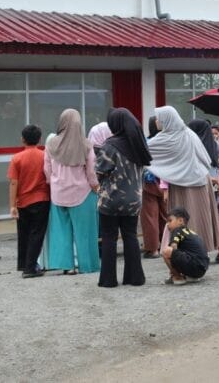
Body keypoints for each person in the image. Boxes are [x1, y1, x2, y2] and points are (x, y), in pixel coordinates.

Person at [148, 106, 219, 263]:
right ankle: (216, 249)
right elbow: (204, 158)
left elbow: (144, 151)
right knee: (205, 215)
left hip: (182, 185)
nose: (157, 121)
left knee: (184, 217)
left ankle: (188, 252)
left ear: (167, 120)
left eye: (159, 118)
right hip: (201, 181)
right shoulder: (189, 134)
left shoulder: (167, 138)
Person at [95, 108, 151, 288]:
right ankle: (135, 278)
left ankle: (108, 280)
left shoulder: (110, 146)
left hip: (111, 198)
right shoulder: (138, 143)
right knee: (131, 235)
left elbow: (101, 170)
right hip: (134, 199)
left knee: (109, 237)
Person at [43, 108, 100, 275]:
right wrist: (95, 186)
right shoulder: (86, 145)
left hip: (58, 193)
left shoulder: (51, 144)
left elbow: (46, 169)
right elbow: (91, 172)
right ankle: (88, 265)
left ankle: (66, 265)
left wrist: (53, 182)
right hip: (82, 193)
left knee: (61, 230)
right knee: (86, 232)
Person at [8, 125, 50, 278]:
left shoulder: (16, 158)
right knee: (36, 233)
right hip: (42, 199)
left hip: (22, 201)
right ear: (40, 139)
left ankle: (23, 264)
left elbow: (13, 182)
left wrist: (12, 205)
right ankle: (31, 267)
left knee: (23, 233)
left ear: (22, 139)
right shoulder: (44, 156)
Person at [141, 116, 168, 259]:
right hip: (168, 180)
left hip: (150, 181)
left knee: (150, 216)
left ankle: (153, 249)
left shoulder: (146, 142)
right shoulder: (168, 141)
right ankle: (166, 245)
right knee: (166, 214)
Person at [161, 207, 210, 285]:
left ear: (180, 221)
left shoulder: (177, 230)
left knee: (166, 252)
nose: (167, 225)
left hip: (194, 265)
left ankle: (177, 277)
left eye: (170, 221)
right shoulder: (190, 232)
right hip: (202, 269)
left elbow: (173, 247)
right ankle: (191, 276)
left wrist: (173, 269)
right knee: (178, 253)